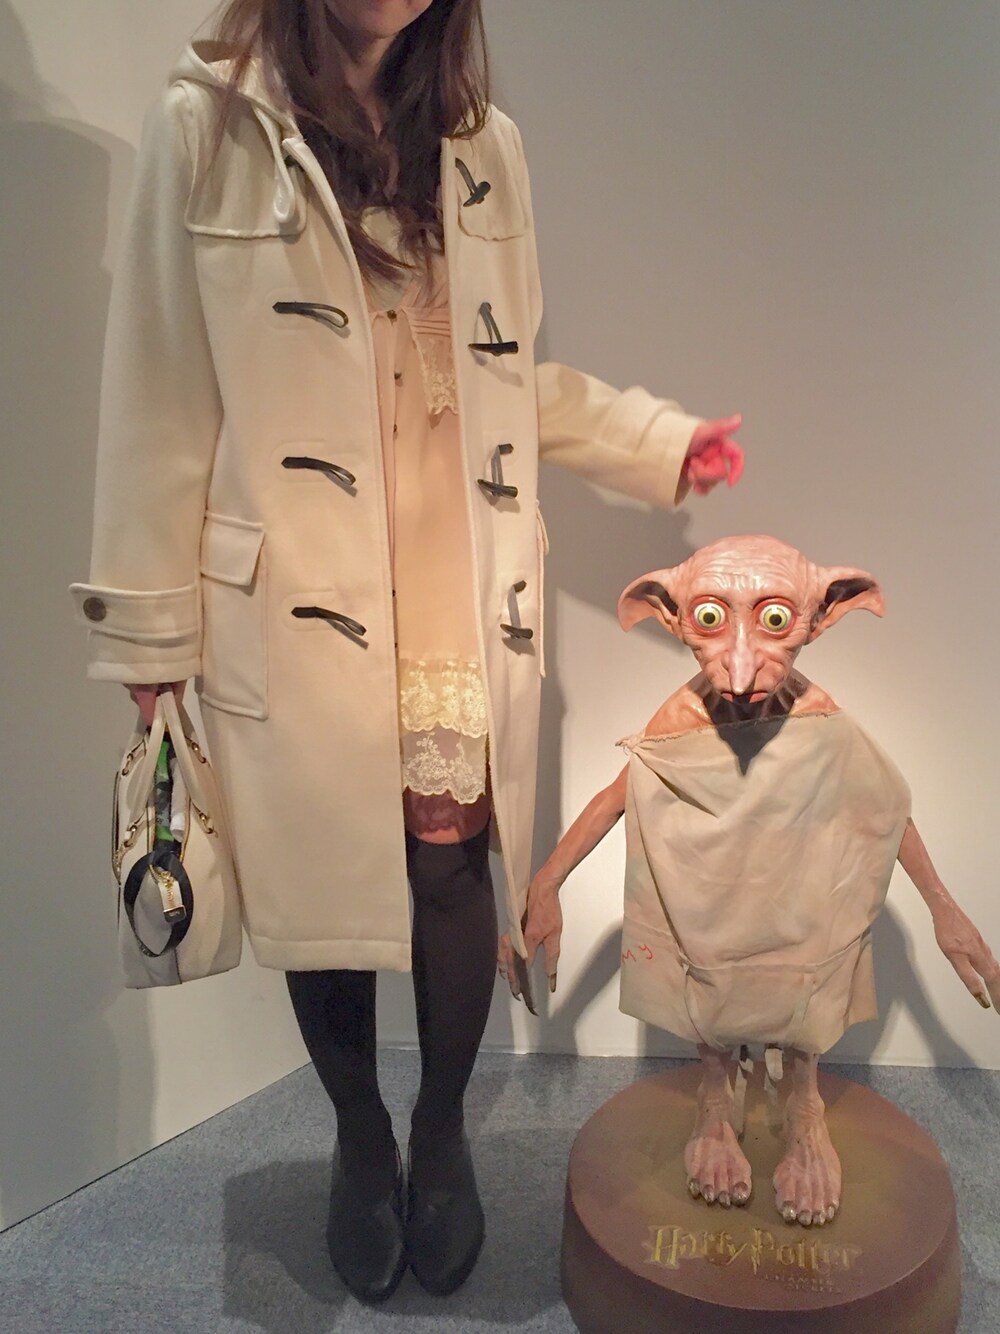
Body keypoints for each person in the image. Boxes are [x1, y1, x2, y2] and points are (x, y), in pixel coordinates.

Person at [71, 0, 743, 1304]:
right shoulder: (205, 127)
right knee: (325, 885)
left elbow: (509, 376)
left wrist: (649, 441)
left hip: (455, 571)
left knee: (449, 871)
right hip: (299, 589)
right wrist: (152, 632)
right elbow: (157, 391)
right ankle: (359, 1135)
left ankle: (437, 1132)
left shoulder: (485, 143)